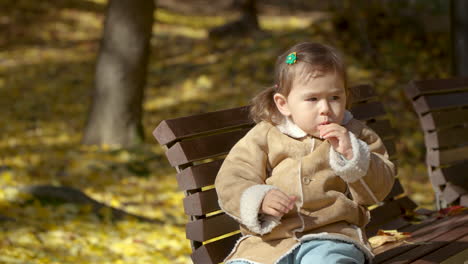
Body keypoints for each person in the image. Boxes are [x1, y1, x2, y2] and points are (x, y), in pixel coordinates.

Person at [214, 42, 395, 264]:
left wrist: (353, 155)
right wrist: (259, 198)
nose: (325, 108)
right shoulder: (266, 135)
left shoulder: (355, 135)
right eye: (312, 99)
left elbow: (379, 190)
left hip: (332, 237)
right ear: (283, 104)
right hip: (268, 243)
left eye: (335, 98)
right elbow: (233, 176)